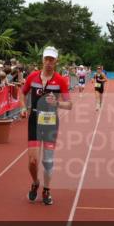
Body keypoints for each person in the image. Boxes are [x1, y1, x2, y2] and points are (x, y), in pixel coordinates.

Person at [19, 46, 72, 206]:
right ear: (42, 59)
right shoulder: (32, 77)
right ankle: (36, 182)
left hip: (51, 121)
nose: (49, 62)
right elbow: (22, 93)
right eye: (46, 59)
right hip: (35, 120)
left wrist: (57, 103)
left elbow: (69, 104)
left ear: (56, 61)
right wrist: (23, 107)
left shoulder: (61, 80)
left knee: (47, 160)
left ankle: (46, 189)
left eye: (52, 59)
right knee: (33, 160)